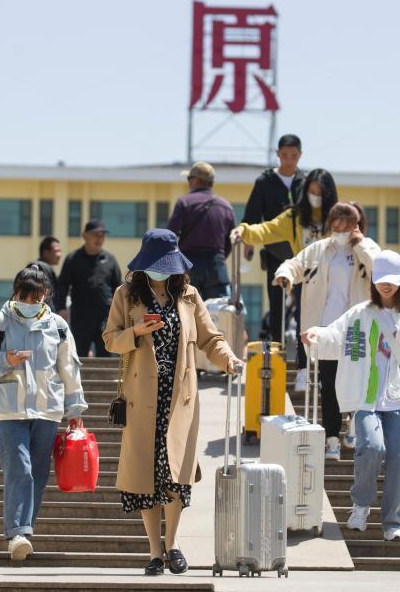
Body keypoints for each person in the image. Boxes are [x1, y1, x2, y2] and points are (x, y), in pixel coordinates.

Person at [102, 229, 244, 576]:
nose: (162, 273)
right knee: (146, 477)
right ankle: (154, 551)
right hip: (141, 399)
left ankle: (174, 543)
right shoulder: (126, 295)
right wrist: (137, 332)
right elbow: (109, 339)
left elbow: (212, 338)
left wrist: (229, 360)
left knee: (175, 475)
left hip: (179, 398)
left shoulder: (190, 295)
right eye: (156, 266)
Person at [302, 250, 400, 542]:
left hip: (399, 398)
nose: (386, 286)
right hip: (365, 397)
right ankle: (361, 504)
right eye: (381, 280)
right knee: (370, 446)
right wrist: (314, 337)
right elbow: (334, 336)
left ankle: (394, 522)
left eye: (391, 281)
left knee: (398, 458)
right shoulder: (360, 313)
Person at [0, 265, 87, 561]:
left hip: (47, 408)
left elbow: (69, 368)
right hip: (9, 408)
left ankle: (24, 530)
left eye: (36, 297)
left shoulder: (58, 325)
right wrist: (5, 359)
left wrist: (75, 408)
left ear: (46, 294)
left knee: (37, 472)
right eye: (26, 296)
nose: (31, 302)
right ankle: (17, 533)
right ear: (17, 292)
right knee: (19, 468)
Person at [274, 202, 380, 460]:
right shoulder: (320, 250)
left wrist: (360, 243)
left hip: (356, 329)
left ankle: (354, 424)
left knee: (356, 379)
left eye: (347, 223)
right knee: (329, 385)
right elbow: (294, 264)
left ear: (357, 224)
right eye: (337, 222)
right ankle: (332, 437)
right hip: (324, 329)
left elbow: (382, 267)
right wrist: (284, 275)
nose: (341, 228)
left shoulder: (365, 249)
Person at [232, 168, 338, 389]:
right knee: (304, 324)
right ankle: (302, 370)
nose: (315, 196)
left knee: (331, 327)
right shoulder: (295, 217)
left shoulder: (336, 217)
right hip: (306, 279)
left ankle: (326, 372)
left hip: (333, 282)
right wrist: (244, 231)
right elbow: (267, 229)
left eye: (319, 192)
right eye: (311, 191)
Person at [242, 134, 306, 344]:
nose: (289, 160)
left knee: (303, 299)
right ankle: (278, 346)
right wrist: (249, 243)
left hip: (301, 253)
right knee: (276, 298)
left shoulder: (304, 182)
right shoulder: (265, 182)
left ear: (300, 156)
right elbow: (252, 214)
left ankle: (302, 349)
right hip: (275, 250)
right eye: (285, 155)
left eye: (294, 156)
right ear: (278, 155)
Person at [166, 162, 236, 300]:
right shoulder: (226, 206)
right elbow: (230, 241)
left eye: (189, 179)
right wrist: (218, 257)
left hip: (188, 265)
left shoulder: (184, 202)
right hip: (216, 265)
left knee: (186, 314)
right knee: (218, 314)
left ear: (195, 180)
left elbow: (170, 236)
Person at [56, 220, 122, 357]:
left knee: (107, 355)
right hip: (81, 316)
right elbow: (62, 285)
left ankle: (107, 380)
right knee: (79, 355)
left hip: (106, 316)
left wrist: (121, 313)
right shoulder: (73, 258)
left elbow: (118, 288)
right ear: (84, 236)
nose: (99, 238)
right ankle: (79, 380)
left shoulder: (110, 259)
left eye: (102, 235)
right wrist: (61, 307)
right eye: (95, 234)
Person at [28, 236, 62, 310]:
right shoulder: (39, 267)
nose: (59, 255)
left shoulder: (45, 268)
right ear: (45, 252)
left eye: (60, 251)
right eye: (56, 251)